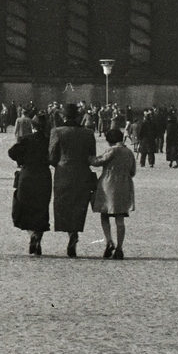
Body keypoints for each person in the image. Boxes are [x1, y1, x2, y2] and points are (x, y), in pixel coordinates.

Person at [49, 103, 97, 257]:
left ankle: (70, 234)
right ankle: (74, 232)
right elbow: (92, 154)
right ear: (78, 116)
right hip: (82, 173)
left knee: (63, 204)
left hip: (63, 173)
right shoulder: (88, 133)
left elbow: (51, 156)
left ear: (63, 116)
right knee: (78, 205)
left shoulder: (57, 131)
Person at [7, 114, 52, 256]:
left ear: (32, 126)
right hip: (44, 175)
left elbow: (11, 152)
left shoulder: (26, 139)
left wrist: (22, 160)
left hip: (27, 175)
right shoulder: (49, 140)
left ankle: (32, 235)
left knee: (23, 207)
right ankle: (38, 237)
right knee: (41, 208)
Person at [91, 127, 137, 259]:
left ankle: (109, 240)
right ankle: (120, 248)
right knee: (120, 218)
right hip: (124, 185)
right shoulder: (128, 152)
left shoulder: (112, 150)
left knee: (104, 214)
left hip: (108, 184)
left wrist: (88, 158)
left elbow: (98, 162)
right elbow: (132, 171)